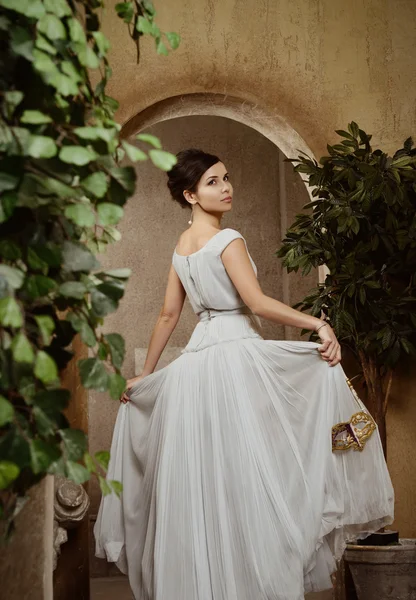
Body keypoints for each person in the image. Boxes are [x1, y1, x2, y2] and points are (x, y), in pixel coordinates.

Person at [94, 149, 394, 600]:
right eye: (213, 182)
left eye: (227, 177)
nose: (226, 187)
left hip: (196, 367)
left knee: (213, 481)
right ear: (190, 194)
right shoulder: (227, 239)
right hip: (235, 359)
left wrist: (146, 375)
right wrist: (318, 323)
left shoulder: (181, 247)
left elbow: (168, 316)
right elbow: (255, 303)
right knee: (256, 475)